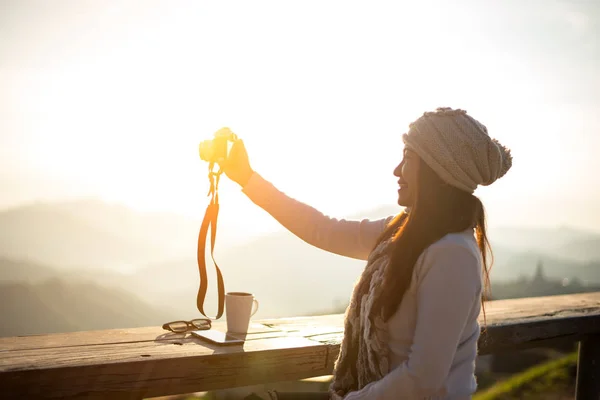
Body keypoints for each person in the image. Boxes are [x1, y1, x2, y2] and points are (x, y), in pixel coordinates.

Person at [224, 107, 512, 400]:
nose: (397, 170)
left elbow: (423, 380)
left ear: (438, 171)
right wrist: (246, 178)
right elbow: (322, 229)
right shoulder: (403, 232)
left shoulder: (452, 255)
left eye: (408, 158)